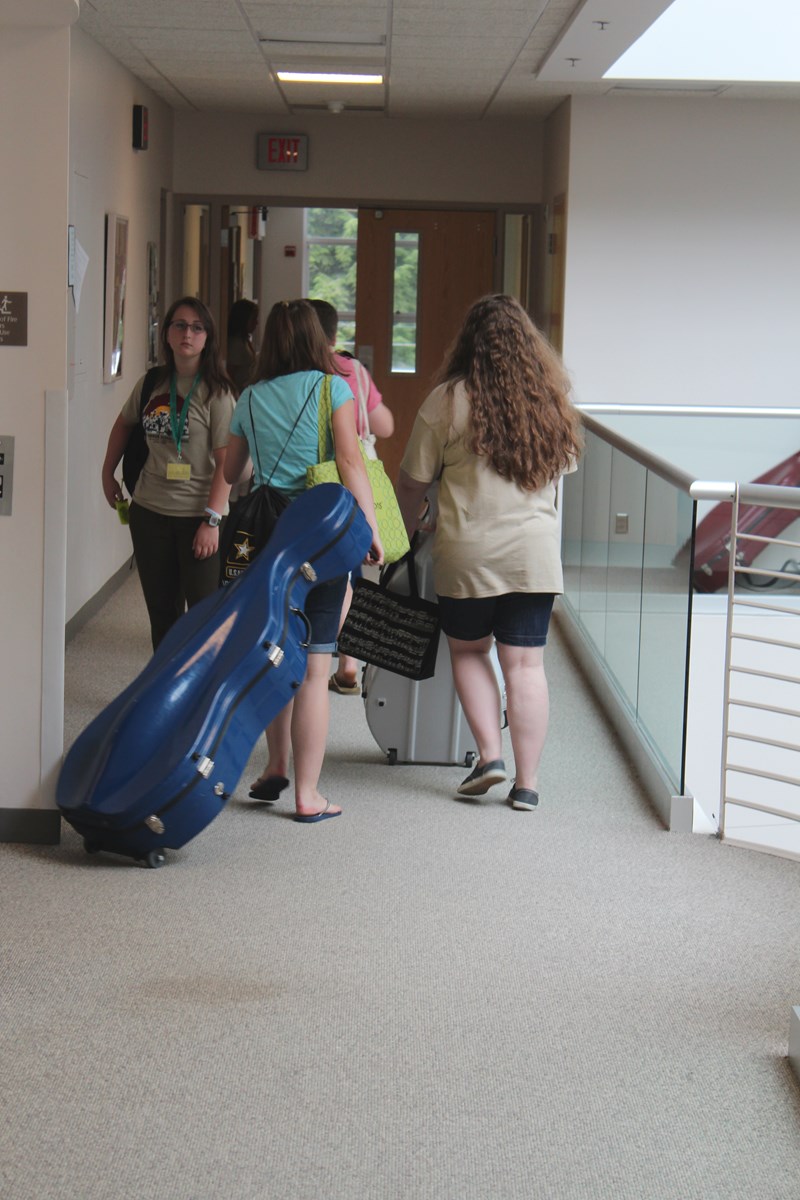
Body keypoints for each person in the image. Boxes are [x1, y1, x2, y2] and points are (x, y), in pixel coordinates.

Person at [395, 294, 583, 811]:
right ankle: (528, 784)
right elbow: (560, 474)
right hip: (533, 557)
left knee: (470, 651)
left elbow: (411, 482)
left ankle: (490, 757)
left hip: (469, 555)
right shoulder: (550, 401)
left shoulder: (447, 401)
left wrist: (405, 531)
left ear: (469, 344)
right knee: (525, 666)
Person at [223, 299, 383, 822]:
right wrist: (370, 528)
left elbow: (231, 472)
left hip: (268, 538)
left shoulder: (249, 396)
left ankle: (276, 765)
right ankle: (307, 795)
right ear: (318, 339)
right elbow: (350, 461)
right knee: (316, 667)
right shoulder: (332, 389)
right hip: (320, 537)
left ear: (269, 343)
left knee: (277, 653)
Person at [101, 296, 235, 651]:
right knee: (162, 615)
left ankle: (202, 683)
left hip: (198, 516)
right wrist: (107, 472)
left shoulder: (218, 393)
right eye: (180, 325)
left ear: (207, 337)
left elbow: (226, 462)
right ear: (167, 333)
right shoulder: (151, 383)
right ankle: (166, 680)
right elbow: (124, 424)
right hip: (150, 512)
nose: (187, 334)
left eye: (197, 327)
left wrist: (212, 520)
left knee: (204, 616)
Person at [309, 298, 395, 696]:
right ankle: (349, 661)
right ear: (334, 333)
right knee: (352, 569)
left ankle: (344, 658)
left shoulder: (300, 373)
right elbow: (385, 426)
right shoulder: (353, 370)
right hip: (358, 479)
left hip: (321, 482)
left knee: (335, 572)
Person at [226, 298, 259, 394]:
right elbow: (229, 375)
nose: (256, 322)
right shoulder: (236, 344)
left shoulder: (244, 340)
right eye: (253, 319)